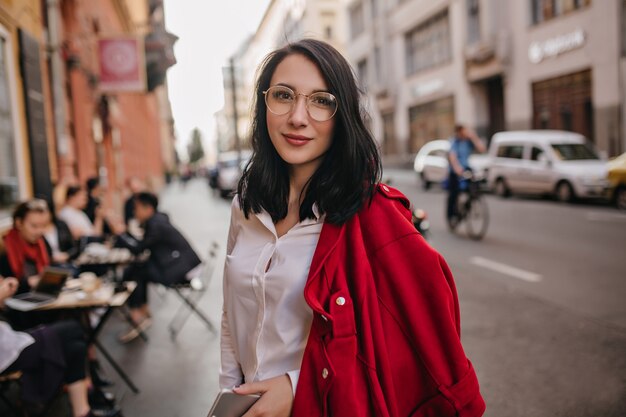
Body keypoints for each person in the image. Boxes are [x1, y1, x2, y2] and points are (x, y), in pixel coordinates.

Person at [220, 39, 485, 417]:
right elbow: (231, 316)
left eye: (321, 101)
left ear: (342, 115)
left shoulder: (370, 216)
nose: (298, 116)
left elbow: (400, 349)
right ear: (264, 106)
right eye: (283, 95)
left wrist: (297, 387)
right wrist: (228, 395)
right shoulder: (245, 207)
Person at [0, 277, 119, 417]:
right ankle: (90, 392)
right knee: (73, 329)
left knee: (76, 347)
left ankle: (84, 409)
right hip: (6, 352)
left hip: (9, 341)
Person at [116, 192, 201, 343]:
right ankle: (141, 312)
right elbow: (143, 246)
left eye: (137, 209)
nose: (135, 213)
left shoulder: (156, 225)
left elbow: (139, 248)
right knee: (138, 268)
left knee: (137, 270)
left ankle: (138, 316)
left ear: (148, 209)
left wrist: (121, 234)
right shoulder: (157, 220)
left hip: (182, 270)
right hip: (183, 265)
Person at [446, 124, 486, 227]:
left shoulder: (468, 141)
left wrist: (474, 137)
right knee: (453, 194)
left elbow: (482, 149)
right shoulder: (454, 142)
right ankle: (452, 215)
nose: (465, 134)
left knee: (474, 186)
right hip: (455, 171)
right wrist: (458, 170)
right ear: (458, 133)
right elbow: (453, 158)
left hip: (466, 167)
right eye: (463, 132)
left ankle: (469, 204)